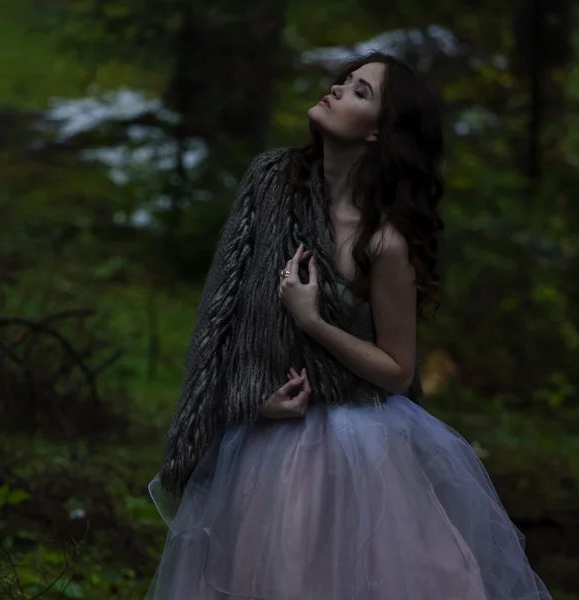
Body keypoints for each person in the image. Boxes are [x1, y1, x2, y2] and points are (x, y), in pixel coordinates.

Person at [146, 51, 553, 599]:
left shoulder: (385, 242)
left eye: (360, 92)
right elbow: (221, 318)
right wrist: (245, 397)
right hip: (266, 443)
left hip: (359, 449)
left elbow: (398, 370)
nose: (338, 90)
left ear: (378, 136)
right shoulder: (272, 183)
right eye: (345, 81)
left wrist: (312, 321)